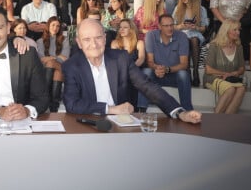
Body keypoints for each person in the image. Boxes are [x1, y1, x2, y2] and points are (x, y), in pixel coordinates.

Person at [62, 18, 201, 123]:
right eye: (86, 39)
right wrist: (110, 109)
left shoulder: (121, 59)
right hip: (88, 125)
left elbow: (147, 86)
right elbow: (72, 104)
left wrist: (179, 112)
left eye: (98, 37)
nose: (93, 44)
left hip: (121, 126)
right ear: (79, 43)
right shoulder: (71, 66)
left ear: (105, 38)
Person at [138, 14, 193, 111]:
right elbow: (150, 61)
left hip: (174, 75)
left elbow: (184, 64)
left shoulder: (182, 37)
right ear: (159, 26)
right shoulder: (151, 36)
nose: (170, 28)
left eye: (171, 25)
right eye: (166, 26)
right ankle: (141, 109)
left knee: (183, 74)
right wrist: (157, 68)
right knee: (146, 72)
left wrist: (167, 69)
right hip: (157, 74)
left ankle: (187, 109)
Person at [203, 19, 246, 114]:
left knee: (241, 88)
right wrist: (225, 73)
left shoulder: (239, 47)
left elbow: (242, 68)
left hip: (230, 79)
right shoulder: (215, 45)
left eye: (238, 30)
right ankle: (215, 119)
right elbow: (208, 70)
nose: (238, 32)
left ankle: (227, 121)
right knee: (230, 89)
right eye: (235, 30)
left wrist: (236, 73)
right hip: (213, 78)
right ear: (226, 30)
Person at [172, 0, 209, 86]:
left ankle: (195, 72)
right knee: (186, 40)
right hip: (182, 34)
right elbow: (172, 26)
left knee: (194, 39)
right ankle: (187, 71)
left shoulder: (201, 10)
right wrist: (181, 26)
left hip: (195, 34)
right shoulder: (178, 8)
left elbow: (204, 28)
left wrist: (195, 27)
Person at [36, 16, 69, 112]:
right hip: (47, 69)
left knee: (51, 63)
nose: (55, 28)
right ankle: (54, 106)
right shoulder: (40, 41)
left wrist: (51, 58)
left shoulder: (64, 39)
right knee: (57, 72)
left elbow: (66, 58)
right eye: (53, 25)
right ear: (48, 26)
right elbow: (41, 59)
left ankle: (44, 96)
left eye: (58, 26)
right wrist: (57, 57)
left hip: (61, 66)